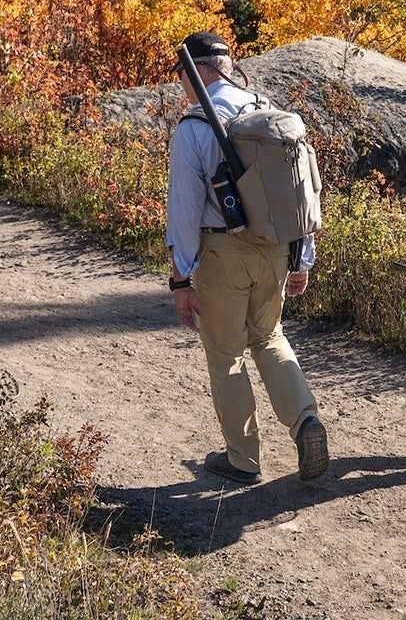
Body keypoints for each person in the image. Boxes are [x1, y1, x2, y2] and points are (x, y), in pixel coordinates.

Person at [166, 30, 330, 485]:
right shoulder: (267, 112)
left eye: (181, 75)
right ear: (228, 64)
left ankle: (243, 458)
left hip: (223, 252)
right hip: (276, 248)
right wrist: (303, 257)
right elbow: (303, 189)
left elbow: (182, 210)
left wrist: (181, 281)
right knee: (269, 336)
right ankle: (305, 421)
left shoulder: (195, 125)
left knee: (225, 353)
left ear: (195, 70)